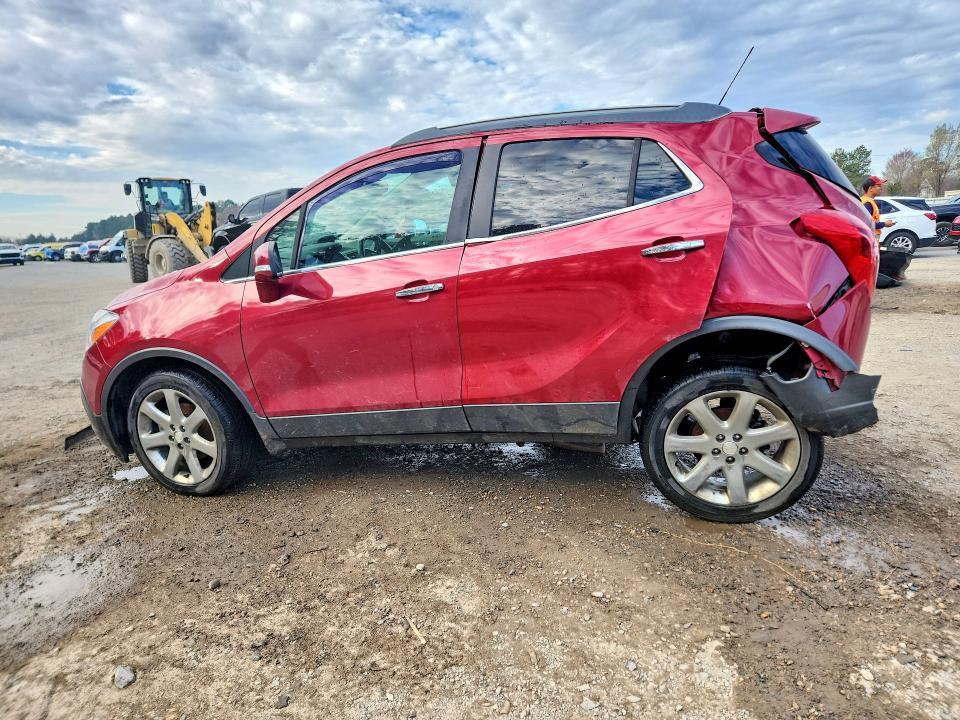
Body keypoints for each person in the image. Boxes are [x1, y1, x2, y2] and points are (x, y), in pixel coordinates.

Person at [861, 175, 909, 287]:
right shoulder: (867, 203)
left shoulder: (866, 201)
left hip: (870, 239)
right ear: (870, 188)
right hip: (869, 239)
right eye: (878, 186)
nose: (881, 188)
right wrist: (884, 224)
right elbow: (866, 223)